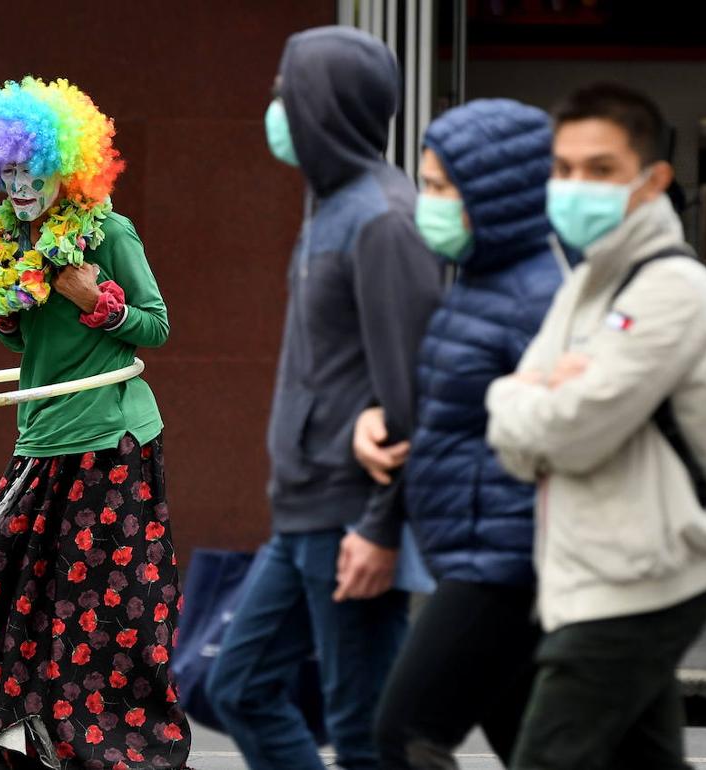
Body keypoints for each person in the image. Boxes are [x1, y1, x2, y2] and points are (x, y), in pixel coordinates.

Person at [204, 26, 441, 770]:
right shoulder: (331, 208)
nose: (275, 105)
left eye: (287, 90)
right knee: (236, 685)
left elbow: (412, 390)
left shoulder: (382, 220)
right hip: (306, 509)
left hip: (351, 518)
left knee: (366, 731)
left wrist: (379, 526)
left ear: (323, 106)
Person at [0, 76, 190, 769]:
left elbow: (156, 327)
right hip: (41, 435)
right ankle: (11, 744)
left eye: (35, 171)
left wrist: (97, 299)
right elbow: (30, 347)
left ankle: (113, 751)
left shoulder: (108, 231)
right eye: (10, 172)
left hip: (111, 439)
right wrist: (5, 316)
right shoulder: (9, 243)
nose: (21, 185)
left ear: (65, 169)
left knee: (97, 611)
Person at [485, 83, 706, 769]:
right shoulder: (589, 279)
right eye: (563, 170)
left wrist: (526, 397)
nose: (575, 187)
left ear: (653, 181)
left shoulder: (669, 288)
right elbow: (511, 426)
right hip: (590, 571)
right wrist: (526, 398)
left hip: (635, 579)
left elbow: (568, 430)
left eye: (600, 170)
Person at [356, 99, 565, 769]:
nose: (428, 204)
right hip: (475, 550)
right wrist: (372, 419)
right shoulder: (478, 284)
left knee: (403, 734)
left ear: (496, 193)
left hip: (501, 562)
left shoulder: (537, 298)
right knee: (540, 752)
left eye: (443, 188)